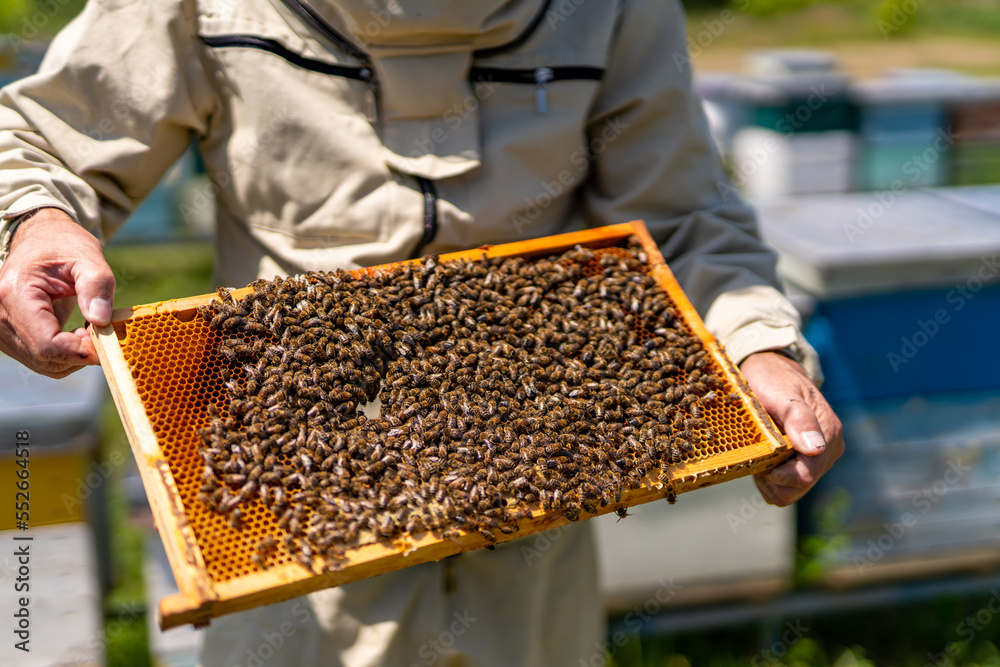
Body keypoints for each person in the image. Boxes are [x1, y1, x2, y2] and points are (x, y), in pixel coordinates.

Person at [0, 0, 843, 665]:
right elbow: (45, 138)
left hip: (537, 485)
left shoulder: (616, 7)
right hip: (294, 499)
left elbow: (683, 216)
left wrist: (755, 341)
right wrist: (30, 222)